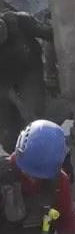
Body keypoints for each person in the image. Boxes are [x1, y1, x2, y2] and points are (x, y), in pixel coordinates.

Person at [0, 10, 54, 150]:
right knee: (8, 137)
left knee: (34, 119)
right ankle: (17, 160)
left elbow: (53, 36)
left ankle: (43, 149)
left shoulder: (21, 21)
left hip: (30, 70)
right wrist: (19, 105)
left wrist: (51, 68)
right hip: (4, 80)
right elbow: (4, 86)